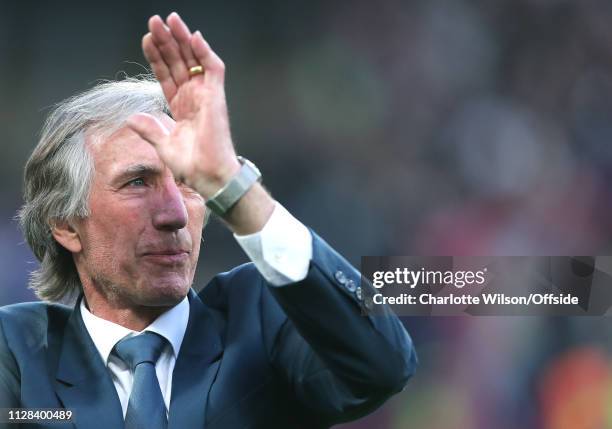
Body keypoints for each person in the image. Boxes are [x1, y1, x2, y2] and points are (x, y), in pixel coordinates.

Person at [0, 12, 417, 429]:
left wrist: (229, 184)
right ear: (67, 225)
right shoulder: (16, 352)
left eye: (189, 183)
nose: (175, 214)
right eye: (138, 182)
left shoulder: (260, 320)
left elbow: (383, 366)